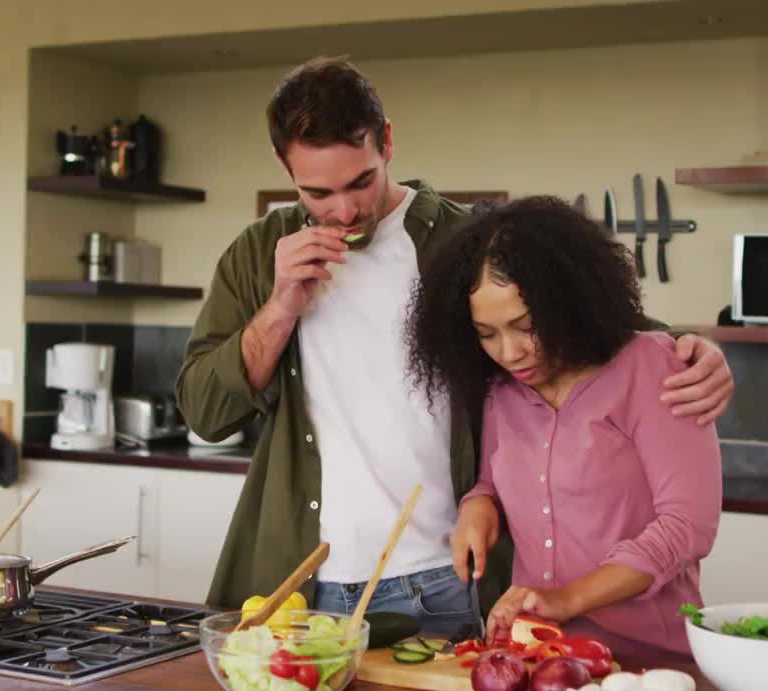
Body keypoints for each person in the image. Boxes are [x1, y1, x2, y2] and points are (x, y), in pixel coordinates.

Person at [176, 56, 733, 635]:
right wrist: (280, 306)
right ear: (282, 166)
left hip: (457, 581)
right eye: (317, 192)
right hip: (305, 581)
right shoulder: (256, 255)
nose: (344, 211)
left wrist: (689, 346)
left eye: (360, 182)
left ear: (387, 142)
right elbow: (206, 413)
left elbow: (591, 320)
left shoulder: (463, 239)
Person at [405, 195, 722, 657]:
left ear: (568, 302)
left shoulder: (652, 367)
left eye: (526, 326)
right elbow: (494, 481)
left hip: (646, 661)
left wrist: (565, 600)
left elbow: (687, 525)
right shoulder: (503, 389)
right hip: (535, 657)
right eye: (487, 334)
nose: (509, 353)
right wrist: (480, 506)